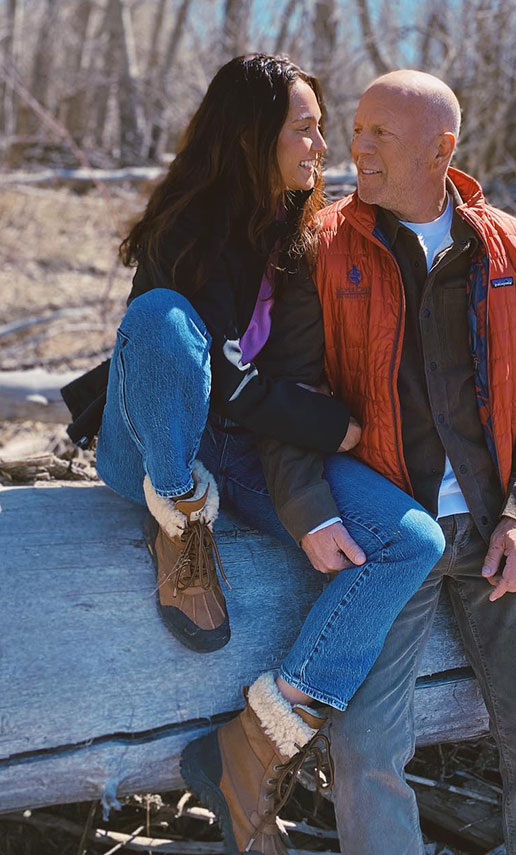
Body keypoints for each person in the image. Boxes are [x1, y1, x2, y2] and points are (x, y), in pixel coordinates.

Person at [62, 56, 445, 854]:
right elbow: (221, 383)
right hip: (154, 444)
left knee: (411, 540)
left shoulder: (302, 236)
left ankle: (253, 745)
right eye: (304, 126)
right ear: (253, 136)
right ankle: (181, 528)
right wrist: (323, 424)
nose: (321, 142)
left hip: (247, 454)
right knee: (164, 321)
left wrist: (320, 454)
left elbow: (279, 379)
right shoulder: (185, 228)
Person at [255, 70, 516, 854]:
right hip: (388, 539)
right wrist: (307, 506)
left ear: (441, 151)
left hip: (497, 532)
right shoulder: (321, 249)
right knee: (365, 751)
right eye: (356, 127)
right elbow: (285, 398)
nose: (354, 148)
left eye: (380, 135)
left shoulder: (514, 250)